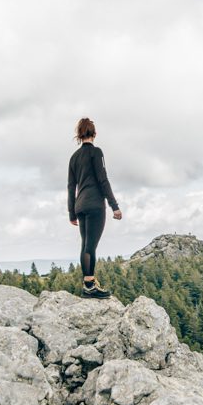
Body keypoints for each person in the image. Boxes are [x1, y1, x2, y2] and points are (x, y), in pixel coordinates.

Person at [67, 117, 122, 298]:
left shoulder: (74, 157)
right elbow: (102, 179)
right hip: (95, 204)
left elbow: (71, 186)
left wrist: (71, 212)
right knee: (91, 246)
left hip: (80, 206)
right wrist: (114, 206)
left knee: (85, 246)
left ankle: (88, 284)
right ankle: (90, 286)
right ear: (94, 134)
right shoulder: (96, 152)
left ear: (79, 135)